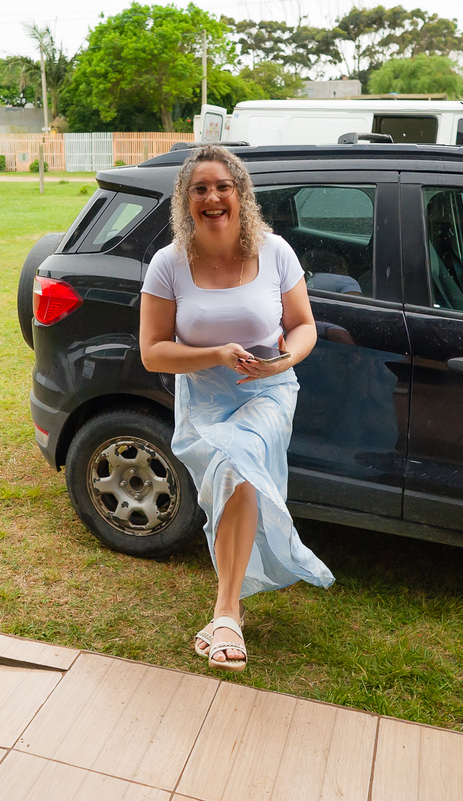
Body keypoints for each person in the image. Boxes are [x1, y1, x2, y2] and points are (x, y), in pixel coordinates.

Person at [138, 145, 334, 672]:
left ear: (241, 194)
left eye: (223, 186)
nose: (212, 197)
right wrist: (217, 354)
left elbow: (304, 325)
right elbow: (153, 351)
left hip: (268, 390)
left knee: (238, 466)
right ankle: (230, 606)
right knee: (228, 481)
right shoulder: (168, 264)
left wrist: (283, 360)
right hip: (204, 399)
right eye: (199, 189)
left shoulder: (275, 252)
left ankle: (226, 612)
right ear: (185, 201)